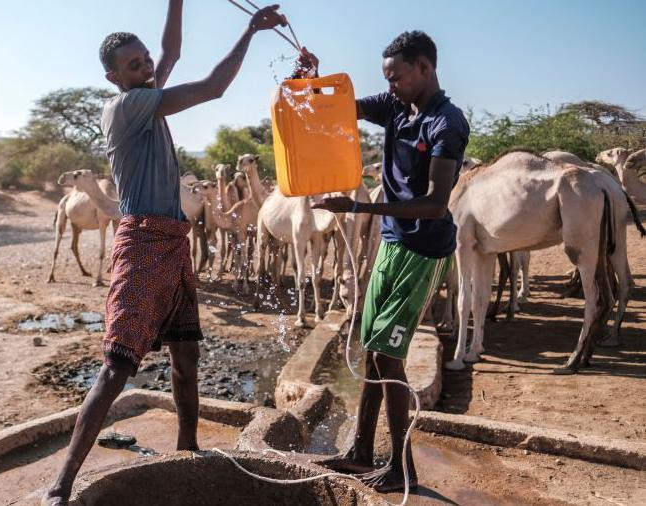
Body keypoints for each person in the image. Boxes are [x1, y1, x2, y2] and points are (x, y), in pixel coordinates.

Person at [43, 3, 288, 504]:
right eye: (133, 65)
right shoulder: (127, 107)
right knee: (117, 364)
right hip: (142, 243)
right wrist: (249, 30)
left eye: (144, 60)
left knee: (187, 354)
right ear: (111, 76)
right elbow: (214, 87)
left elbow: (171, 51)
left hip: (174, 243)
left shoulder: (146, 92)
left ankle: (187, 447)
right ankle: (61, 484)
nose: (146, 66)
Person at [307, 31, 469, 492]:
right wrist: (313, 79)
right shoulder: (396, 106)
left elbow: (436, 203)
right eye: (387, 78)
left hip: (424, 249)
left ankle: (402, 468)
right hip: (393, 242)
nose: (391, 85)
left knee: (386, 354)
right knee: (371, 351)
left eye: (397, 76)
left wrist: (358, 208)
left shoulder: (446, 124)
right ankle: (361, 451)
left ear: (424, 67)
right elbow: (341, 107)